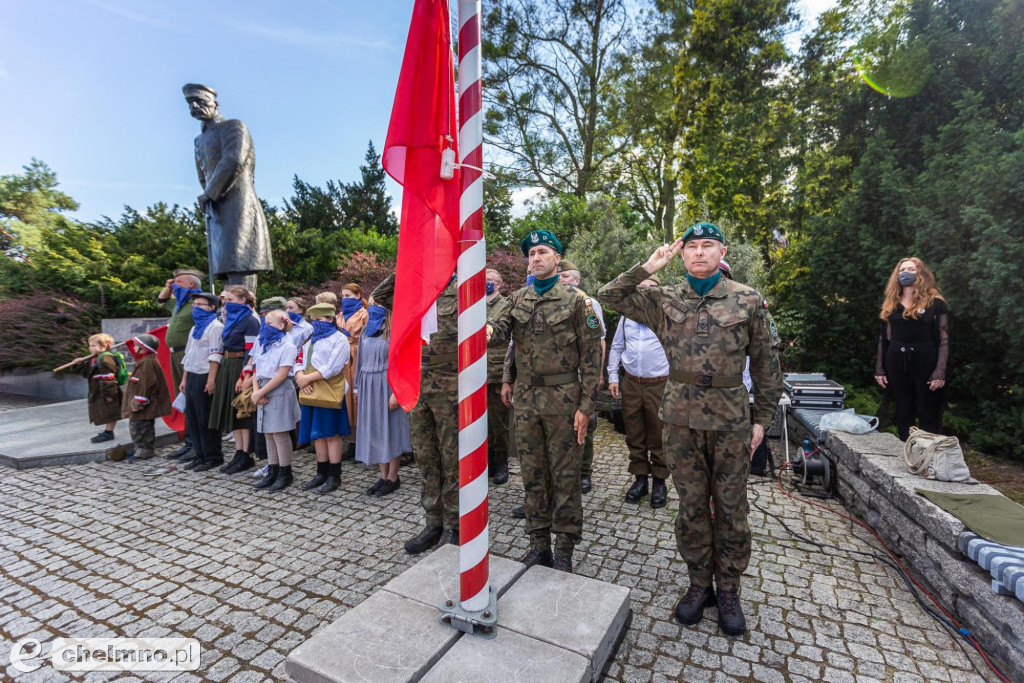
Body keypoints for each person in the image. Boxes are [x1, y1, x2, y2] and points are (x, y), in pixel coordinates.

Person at [597, 222, 783, 637]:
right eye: (692, 247)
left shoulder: (747, 299)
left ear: (722, 251)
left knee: (732, 510)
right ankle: (700, 583)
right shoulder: (663, 297)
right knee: (692, 506)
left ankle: (729, 588)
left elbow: (768, 366)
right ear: (682, 255)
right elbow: (609, 296)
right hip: (679, 418)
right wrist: (647, 267)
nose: (699, 252)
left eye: (708, 246)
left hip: (730, 419)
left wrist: (762, 420)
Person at [488, 230, 603, 574]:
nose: (535, 257)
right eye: (531, 254)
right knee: (533, 475)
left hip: (564, 400)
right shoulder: (519, 298)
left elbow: (591, 357)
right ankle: (539, 546)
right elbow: (506, 335)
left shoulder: (576, 300)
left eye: (542, 252)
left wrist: (586, 407)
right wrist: (505, 372)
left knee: (565, 476)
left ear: (557, 258)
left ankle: (564, 550)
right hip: (526, 401)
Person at [373, 272, 461, 554]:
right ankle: (433, 522)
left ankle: (455, 525)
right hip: (417, 381)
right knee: (425, 456)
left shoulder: (462, 289)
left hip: (451, 381)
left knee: (452, 456)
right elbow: (380, 296)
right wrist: (410, 263)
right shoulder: (413, 290)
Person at [183, 83, 273, 292]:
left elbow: (233, 160)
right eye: (190, 102)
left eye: (200, 100)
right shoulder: (199, 140)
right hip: (216, 207)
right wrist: (208, 197)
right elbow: (203, 173)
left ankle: (243, 310)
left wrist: (209, 193)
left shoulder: (233, 126)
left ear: (215, 103)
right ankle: (229, 311)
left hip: (238, 205)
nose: (195, 105)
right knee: (224, 266)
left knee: (240, 261)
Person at [606, 272, 671, 508]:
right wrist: (613, 376)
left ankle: (660, 482)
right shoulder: (626, 318)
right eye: (640, 288)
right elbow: (616, 347)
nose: (643, 292)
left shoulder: (666, 317)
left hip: (660, 384)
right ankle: (640, 479)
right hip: (632, 383)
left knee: (659, 433)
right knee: (634, 433)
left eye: (649, 288)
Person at [875, 257, 948, 440]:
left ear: (920, 273)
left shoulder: (935, 302)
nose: (905, 273)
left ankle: (928, 455)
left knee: (927, 409)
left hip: (926, 359)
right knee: (903, 409)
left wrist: (940, 371)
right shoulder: (892, 302)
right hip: (896, 360)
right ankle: (906, 451)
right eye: (902, 270)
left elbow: (944, 338)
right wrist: (880, 368)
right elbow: (885, 338)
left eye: (910, 269)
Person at [557, 259, 605, 495]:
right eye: (559, 276)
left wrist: (597, 375)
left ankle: (584, 473)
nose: (561, 279)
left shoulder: (588, 302)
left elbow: (599, 342)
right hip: (558, 378)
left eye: (565, 276)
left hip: (580, 375)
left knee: (585, 424)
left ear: (576, 280)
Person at [355, 302, 411, 497]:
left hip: (388, 385)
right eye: (372, 304)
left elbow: (403, 362)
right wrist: (357, 388)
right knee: (376, 431)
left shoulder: (395, 330)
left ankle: (393, 477)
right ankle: (382, 475)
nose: (374, 307)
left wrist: (397, 392)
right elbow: (360, 361)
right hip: (368, 385)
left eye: (378, 303)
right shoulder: (366, 331)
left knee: (391, 429)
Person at [296, 303, 351, 494]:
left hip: (328, 392)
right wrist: (300, 377)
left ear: (330, 319)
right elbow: (299, 360)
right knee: (317, 434)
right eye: (314, 320)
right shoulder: (310, 340)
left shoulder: (340, 339)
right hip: (311, 391)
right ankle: (321, 472)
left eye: (320, 320)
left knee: (331, 433)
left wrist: (306, 378)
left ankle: (334, 475)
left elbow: (333, 367)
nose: (316, 324)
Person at [208, 286, 260, 473]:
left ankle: (246, 454)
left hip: (240, 365)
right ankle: (239, 451)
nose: (226, 303)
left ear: (243, 301)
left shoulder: (250, 320)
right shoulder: (231, 319)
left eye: (230, 299)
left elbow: (251, 350)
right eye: (225, 299)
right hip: (228, 365)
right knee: (232, 412)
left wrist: (245, 376)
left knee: (242, 412)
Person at [252, 310, 300, 492]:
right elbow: (256, 368)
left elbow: (281, 375)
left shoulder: (287, 345)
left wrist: (261, 392)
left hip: (278, 389)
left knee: (279, 433)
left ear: (281, 325)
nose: (265, 326)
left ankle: (285, 472)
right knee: (268, 432)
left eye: (269, 323)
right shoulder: (264, 342)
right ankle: (272, 470)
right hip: (263, 388)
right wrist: (256, 392)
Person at [159, 269, 202, 461]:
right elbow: (160, 302)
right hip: (175, 354)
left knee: (192, 398)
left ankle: (196, 443)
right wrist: (168, 287)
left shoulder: (196, 304)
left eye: (178, 281)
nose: (174, 283)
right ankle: (189, 441)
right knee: (183, 396)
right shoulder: (179, 304)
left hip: (188, 353)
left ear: (191, 284)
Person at [179, 292, 224, 472]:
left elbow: (215, 356)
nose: (196, 308)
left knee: (205, 418)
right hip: (192, 375)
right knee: (193, 418)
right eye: (194, 304)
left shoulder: (215, 327)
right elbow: (188, 355)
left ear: (212, 307)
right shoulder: (195, 328)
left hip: (205, 375)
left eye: (201, 305)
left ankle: (213, 456)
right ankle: (200, 454)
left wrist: (211, 380)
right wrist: (184, 378)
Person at [121, 334, 173, 462]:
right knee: (137, 426)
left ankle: (145, 451)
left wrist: (139, 401)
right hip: (140, 403)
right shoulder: (144, 361)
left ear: (143, 348)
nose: (133, 347)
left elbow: (146, 382)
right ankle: (140, 448)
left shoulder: (147, 362)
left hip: (143, 405)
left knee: (141, 427)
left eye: (136, 345)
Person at [66, 334, 124, 443]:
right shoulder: (94, 358)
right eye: (90, 345)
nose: (90, 348)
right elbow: (86, 374)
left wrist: (109, 394)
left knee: (111, 411)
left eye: (93, 345)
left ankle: (109, 433)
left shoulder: (106, 359)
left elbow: (109, 378)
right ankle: (107, 431)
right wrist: (78, 364)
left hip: (107, 391)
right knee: (105, 411)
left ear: (104, 346)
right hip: (98, 390)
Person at [485, 269, 513, 485]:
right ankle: (487, 462)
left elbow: (501, 331)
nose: (487, 284)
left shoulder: (505, 305)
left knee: (498, 422)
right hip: (474, 374)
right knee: (479, 421)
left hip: (495, 372)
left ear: (500, 284)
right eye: (484, 281)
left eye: (491, 281)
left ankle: (501, 462)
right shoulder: (473, 305)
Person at [339, 284, 368, 459]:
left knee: (356, 398)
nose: (344, 298)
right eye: (342, 295)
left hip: (357, 353)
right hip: (343, 354)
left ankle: (360, 441)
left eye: (348, 295)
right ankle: (350, 441)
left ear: (358, 295)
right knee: (345, 397)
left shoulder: (365, 314)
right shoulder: (341, 314)